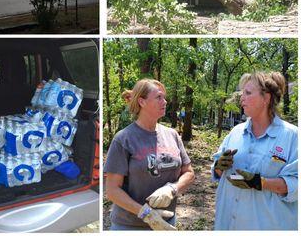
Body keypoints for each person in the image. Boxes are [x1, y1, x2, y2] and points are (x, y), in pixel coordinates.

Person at [104, 79, 195, 230]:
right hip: (129, 226)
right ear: (142, 102)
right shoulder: (124, 139)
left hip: (166, 222)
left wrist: (173, 188)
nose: (165, 102)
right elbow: (112, 191)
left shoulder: (172, 135)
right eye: (159, 97)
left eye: (164, 97)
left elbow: (189, 173)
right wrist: (146, 213)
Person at [212, 71, 298, 230]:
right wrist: (219, 166)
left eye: (248, 93)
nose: (241, 98)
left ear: (266, 98)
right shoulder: (235, 132)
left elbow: (296, 185)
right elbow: (216, 173)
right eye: (242, 92)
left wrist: (261, 183)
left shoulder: (292, 137)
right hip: (227, 224)